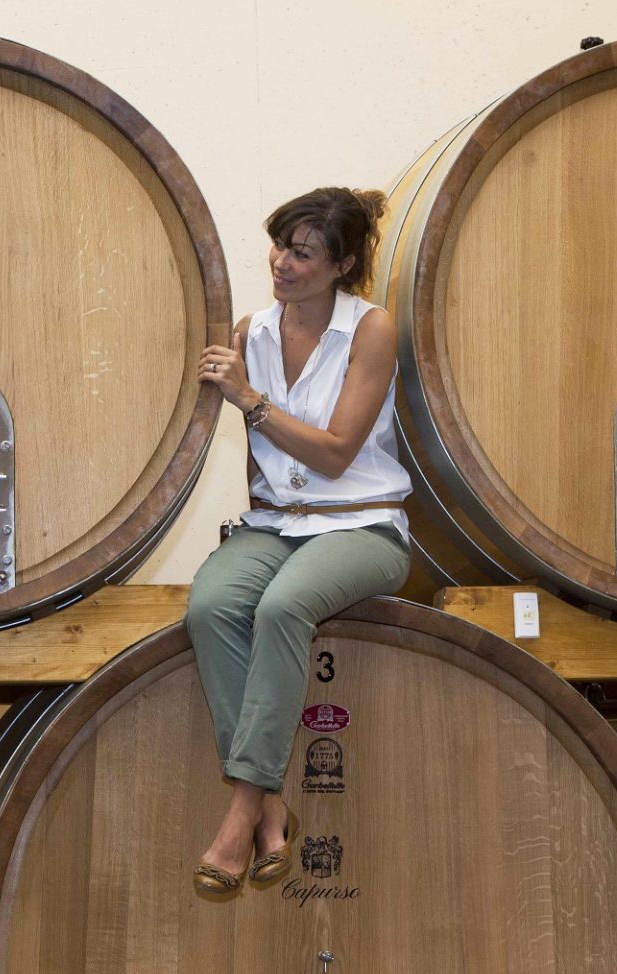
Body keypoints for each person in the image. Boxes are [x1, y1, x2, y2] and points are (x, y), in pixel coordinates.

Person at [187, 186, 412, 895]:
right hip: (279, 524)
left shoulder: (370, 329)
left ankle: (242, 812)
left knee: (284, 607)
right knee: (212, 605)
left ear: (342, 265)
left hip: (364, 523)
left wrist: (251, 401)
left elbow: (338, 453)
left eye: (304, 253)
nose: (282, 263)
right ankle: (272, 806)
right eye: (280, 246)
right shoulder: (251, 332)